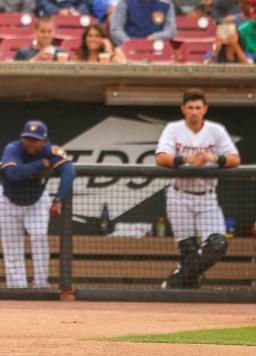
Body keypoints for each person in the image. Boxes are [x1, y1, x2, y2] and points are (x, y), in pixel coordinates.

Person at [155, 89, 241, 289]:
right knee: (188, 250)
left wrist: (214, 158)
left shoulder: (216, 130)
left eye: (198, 108)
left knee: (218, 244)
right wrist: (187, 159)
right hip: (179, 195)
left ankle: (174, 281)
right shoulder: (174, 128)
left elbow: (235, 159)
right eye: (190, 108)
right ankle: (190, 292)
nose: (194, 112)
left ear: (205, 109)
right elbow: (160, 157)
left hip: (207, 197)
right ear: (183, 109)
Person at [0, 120, 75, 289]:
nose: (30, 142)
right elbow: (12, 173)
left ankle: (41, 284)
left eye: (35, 139)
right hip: (9, 201)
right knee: (11, 246)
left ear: (44, 141)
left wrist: (58, 200)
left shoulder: (51, 150)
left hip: (36, 201)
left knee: (39, 239)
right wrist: (40, 164)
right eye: (28, 138)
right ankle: (17, 288)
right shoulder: (13, 148)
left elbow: (69, 171)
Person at [110, 0, 176, 46]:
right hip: (127, 47)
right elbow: (116, 29)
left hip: (156, 47)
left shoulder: (166, 4)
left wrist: (156, 37)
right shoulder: (125, 2)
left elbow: (170, 31)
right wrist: (129, 42)